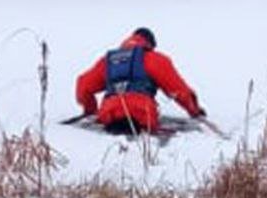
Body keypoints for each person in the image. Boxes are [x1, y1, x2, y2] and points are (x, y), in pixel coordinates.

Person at [75, 27, 205, 134]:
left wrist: (90, 111)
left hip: (109, 116)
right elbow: (179, 91)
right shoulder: (155, 59)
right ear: (150, 44)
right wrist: (195, 111)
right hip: (143, 116)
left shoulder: (108, 61)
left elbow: (83, 85)